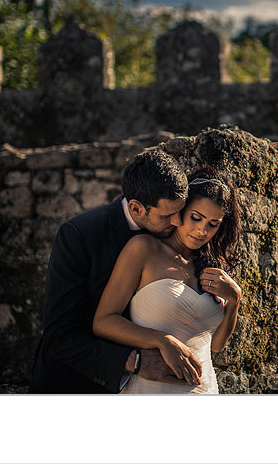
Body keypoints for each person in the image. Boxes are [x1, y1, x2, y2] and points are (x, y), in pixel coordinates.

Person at [29, 148, 191, 393]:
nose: (179, 222)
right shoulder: (79, 235)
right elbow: (59, 336)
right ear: (136, 209)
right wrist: (132, 361)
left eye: (180, 211)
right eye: (168, 215)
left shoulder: (179, 232)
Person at [93, 166, 243, 394]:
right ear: (181, 209)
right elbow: (103, 322)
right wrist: (162, 341)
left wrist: (234, 300)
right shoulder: (143, 249)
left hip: (205, 390)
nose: (202, 231)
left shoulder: (210, 265)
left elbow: (215, 346)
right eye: (196, 217)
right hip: (152, 390)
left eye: (213, 224)